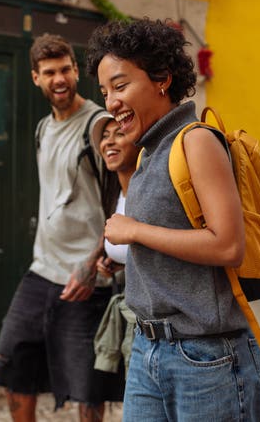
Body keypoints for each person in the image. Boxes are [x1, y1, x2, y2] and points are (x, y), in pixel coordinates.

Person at [86, 19, 260, 421]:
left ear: (162, 79)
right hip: (148, 350)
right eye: (104, 92)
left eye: (120, 86)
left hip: (206, 356)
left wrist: (135, 231)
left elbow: (227, 245)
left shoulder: (196, 141)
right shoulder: (149, 152)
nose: (111, 102)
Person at [0, 33, 123, 422]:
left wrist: (93, 260)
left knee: (88, 387)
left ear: (76, 70)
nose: (59, 78)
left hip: (86, 275)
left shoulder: (99, 126)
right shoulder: (43, 129)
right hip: (41, 269)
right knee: (14, 365)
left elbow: (122, 203)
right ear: (36, 78)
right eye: (49, 72)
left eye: (65, 69)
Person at [90, 116, 139, 375]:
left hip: (150, 324)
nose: (109, 141)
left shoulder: (147, 195)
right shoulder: (116, 196)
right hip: (129, 314)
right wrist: (117, 266)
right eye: (105, 136)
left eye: (118, 133)